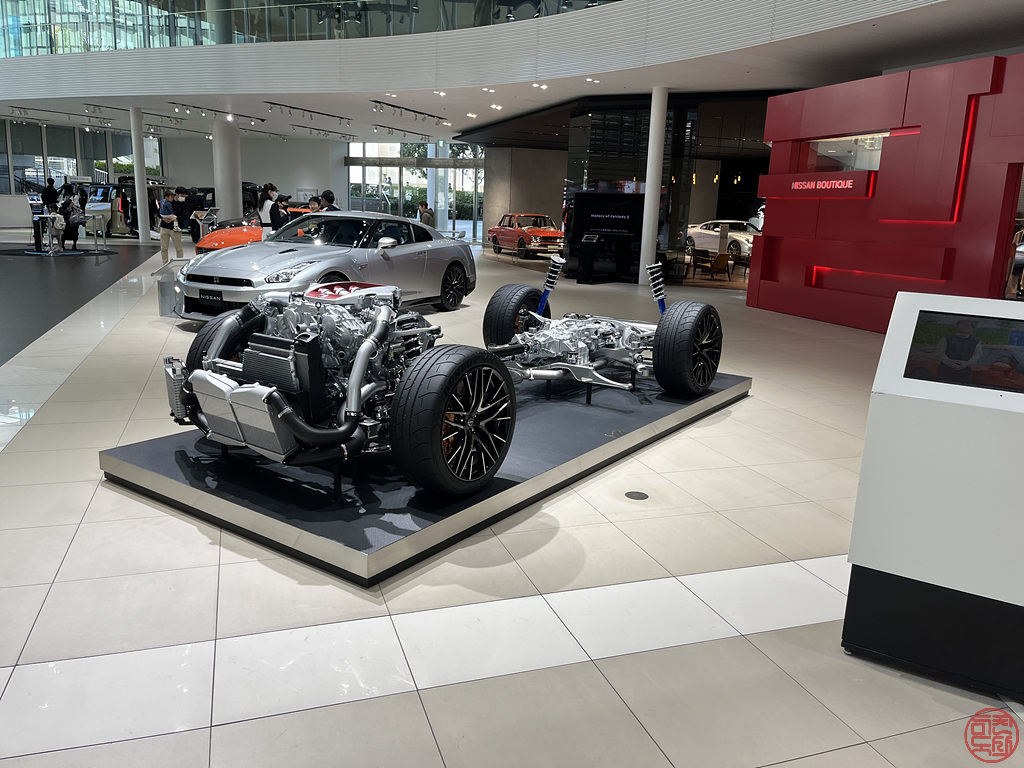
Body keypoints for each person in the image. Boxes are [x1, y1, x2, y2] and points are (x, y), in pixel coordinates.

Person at [935, 318, 983, 383]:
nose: (965, 327)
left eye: (968, 325)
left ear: (972, 328)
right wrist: (950, 363)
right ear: (957, 325)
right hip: (947, 368)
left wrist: (966, 364)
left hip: (965, 370)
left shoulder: (976, 342)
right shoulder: (946, 338)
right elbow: (940, 352)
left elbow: (977, 355)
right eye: (963, 324)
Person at [158, 188, 184, 263]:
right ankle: (164, 263)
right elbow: (158, 211)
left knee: (179, 248)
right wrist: (163, 218)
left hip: (174, 230)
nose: (183, 197)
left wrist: (176, 219)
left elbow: (184, 216)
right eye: (182, 195)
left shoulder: (183, 205)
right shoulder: (168, 203)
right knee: (164, 247)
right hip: (164, 227)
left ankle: (179, 263)